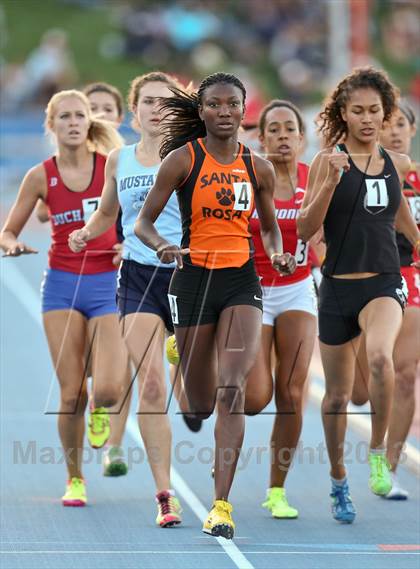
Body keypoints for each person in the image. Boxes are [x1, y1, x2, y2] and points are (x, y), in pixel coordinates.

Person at [134, 72, 296, 539]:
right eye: (215, 105)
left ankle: (220, 505)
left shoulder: (257, 166)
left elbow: (268, 227)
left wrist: (278, 251)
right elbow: (145, 223)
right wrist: (163, 245)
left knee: (233, 390)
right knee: (201, 403)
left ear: (244, 110)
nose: (225, 112)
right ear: (202, 111)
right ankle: (180, 356)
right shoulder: (183, 161)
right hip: (193, 280)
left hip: (241, 282)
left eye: (233, 105)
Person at [297, 67, 420, 524]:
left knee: (382, 361)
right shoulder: (326, 162)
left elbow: (401, 213)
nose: (368, 119)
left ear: (386, 113)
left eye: (375, 111)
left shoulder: (396, 163)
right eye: (358, 111)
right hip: (337, 289)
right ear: (343, 115)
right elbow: (306, 228)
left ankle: (377, 455)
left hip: (384, 283)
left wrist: (418, 241)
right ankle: (338, 479)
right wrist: (330, 180)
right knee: (336, 398)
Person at [69, 72, 188, 528]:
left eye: (165, 102)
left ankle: (185, 345)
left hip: (189, 276)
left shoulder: (189, 156)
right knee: (153, 385)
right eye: (148, 102)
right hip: (138, 279)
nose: (157, 109)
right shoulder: (119, 159)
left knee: (197, 398)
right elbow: (106, 212)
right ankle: (165, 494)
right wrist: (87, 231)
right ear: (133, 111)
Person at [0, 90, 127, 506]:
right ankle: (75, 478)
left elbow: (135, 213)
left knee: (107, 388)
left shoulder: (111, 166)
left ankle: (100, 408)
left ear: (89, 122)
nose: (73, 122)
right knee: (71, 391)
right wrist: (11, 244)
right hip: (61, 286)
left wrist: (129, 244)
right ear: (51, 125)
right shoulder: (41, 175)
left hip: (108, 282)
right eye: (65, 117)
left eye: (80, 115)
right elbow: (8, 230)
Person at [244, 100, 317, 519]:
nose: (284, 136)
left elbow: (327, 231)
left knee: (292, 391)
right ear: (262, 137)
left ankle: (277, 489)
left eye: (291, 129)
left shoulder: (314, 179)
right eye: (275, 129)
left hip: (297, 290)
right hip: (251, 291)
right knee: (256, 398)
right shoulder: (247, 179)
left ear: (302, 138)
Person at [351, 100, 420, 499]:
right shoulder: (369, 175)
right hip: (371, 276)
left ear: (411, 131)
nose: (394, 131)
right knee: (362, 388)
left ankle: (388, 467)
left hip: (411, 278)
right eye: (388, 124)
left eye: (402, 125)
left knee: (407, 374)